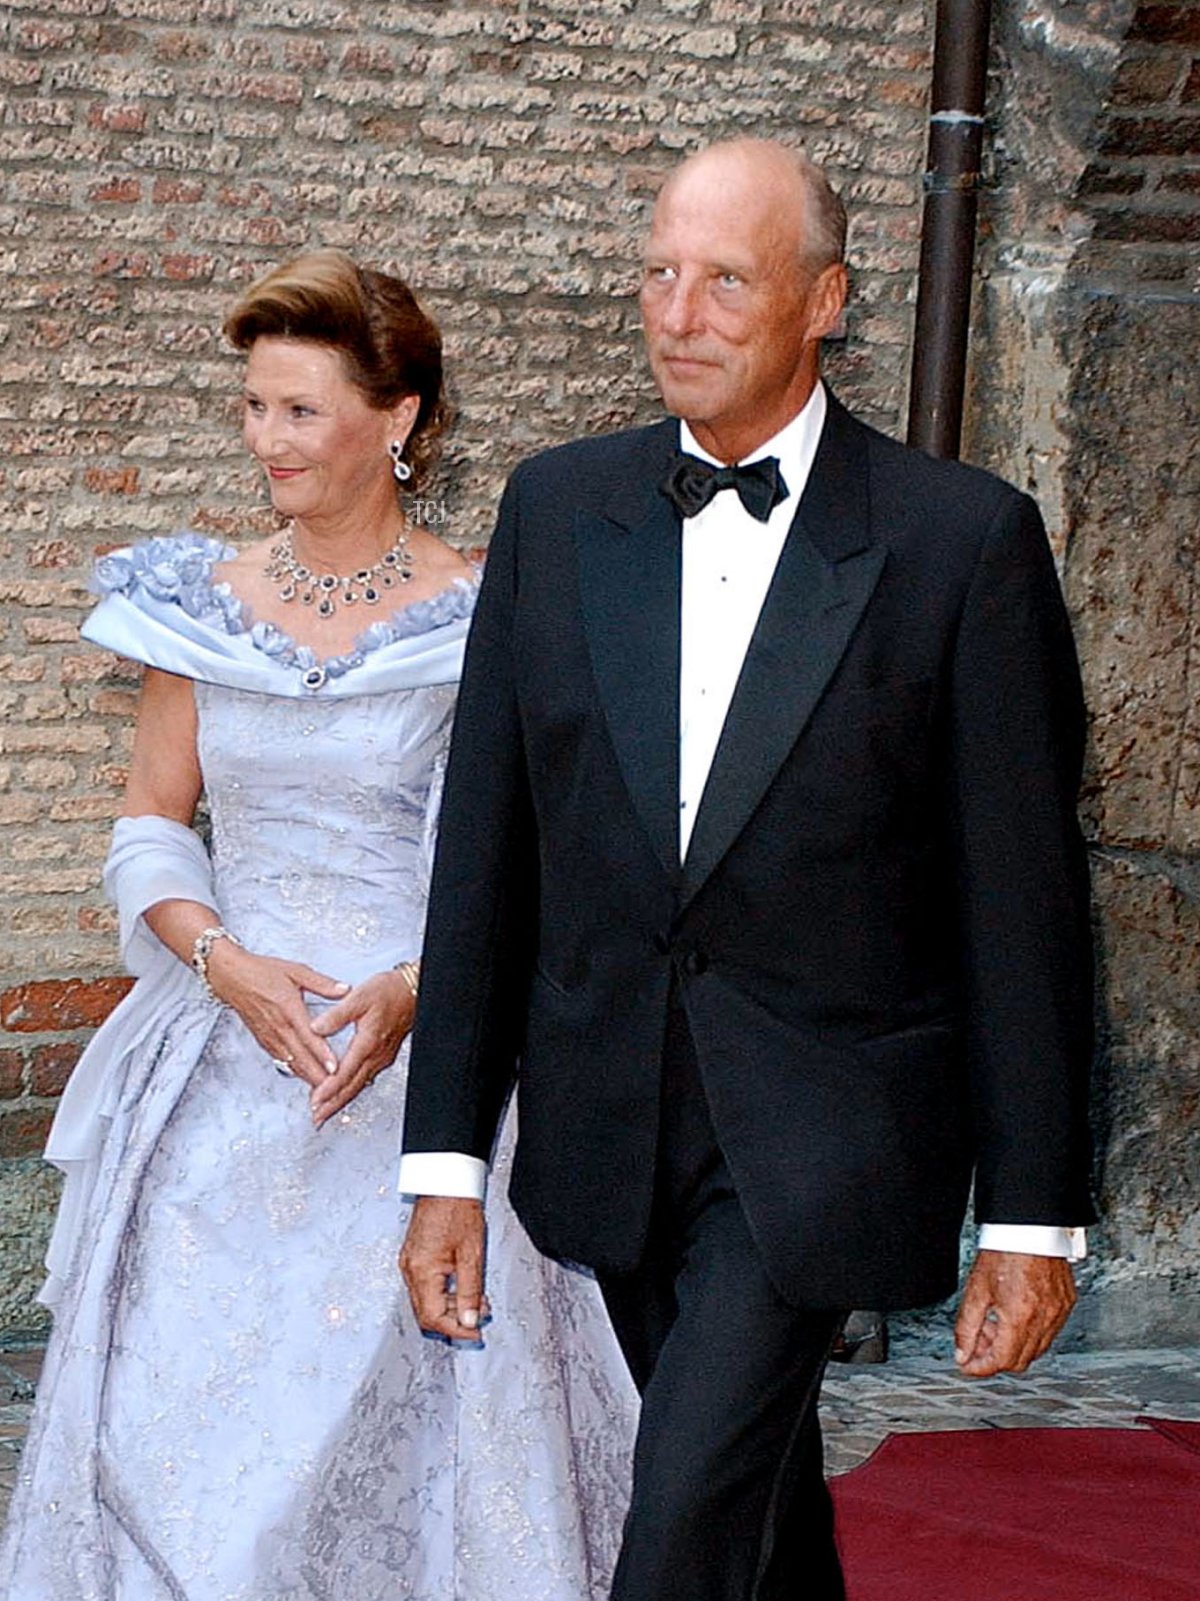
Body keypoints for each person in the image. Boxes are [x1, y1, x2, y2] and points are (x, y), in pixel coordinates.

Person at [397, 140, 1095, 1601]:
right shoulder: (556, 510)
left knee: (681, 1527)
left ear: (824, 300)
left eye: (725, 279)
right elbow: (486, 860)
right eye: (658, 273)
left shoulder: (960, 543)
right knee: (758, 1507)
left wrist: (1031, 1217)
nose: (678, 312)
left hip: (831, 1129)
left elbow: (1022, 908)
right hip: (612, 1115)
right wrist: (446, 1163)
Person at [0, 250, 635, 1601]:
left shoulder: (487, 610)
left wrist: (419, 988)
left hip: (415, 1066)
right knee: (182, 1437)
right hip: (218, 1077)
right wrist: (217, 959)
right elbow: (151, 827)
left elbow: (528, 854)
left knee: (389, 1441)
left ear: (396, 418)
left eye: (299, 409)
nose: (266, 439)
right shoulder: (197, 605)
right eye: (253, 407)